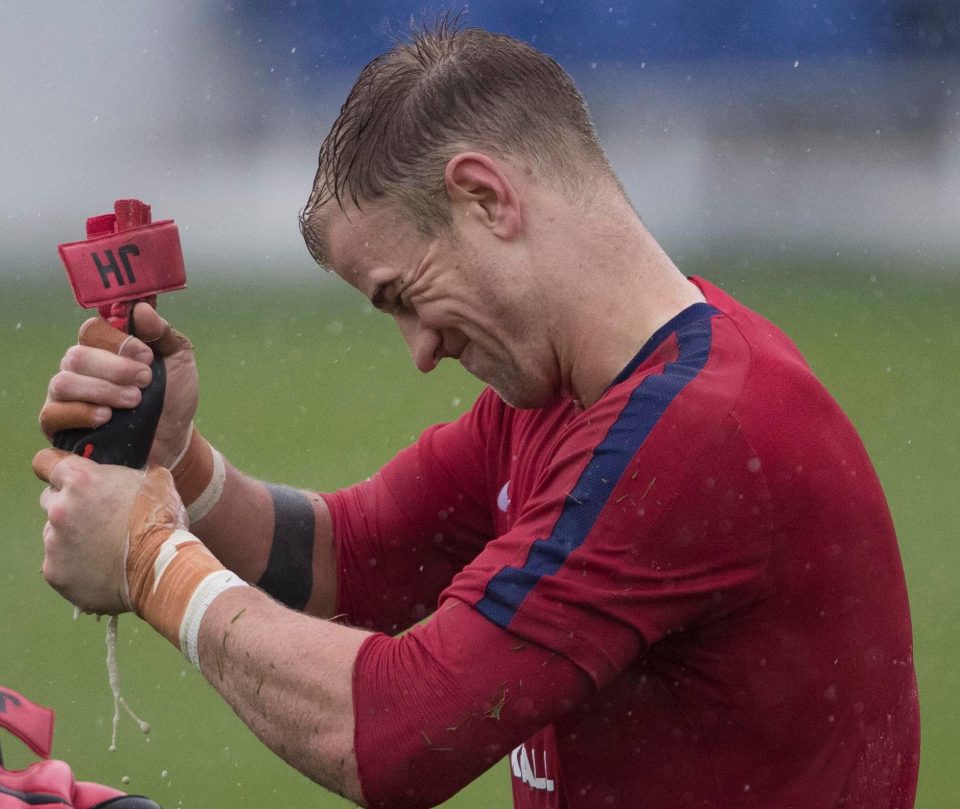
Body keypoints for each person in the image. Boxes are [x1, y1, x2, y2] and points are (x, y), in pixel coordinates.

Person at [34, 19, 919, 809]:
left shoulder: (696, 431)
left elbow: (389, 737)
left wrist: (150, 556)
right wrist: (177, 468)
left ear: (485, 197)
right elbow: (352, 555)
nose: (421, 351)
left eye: (403, 295)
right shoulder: (580, 388)